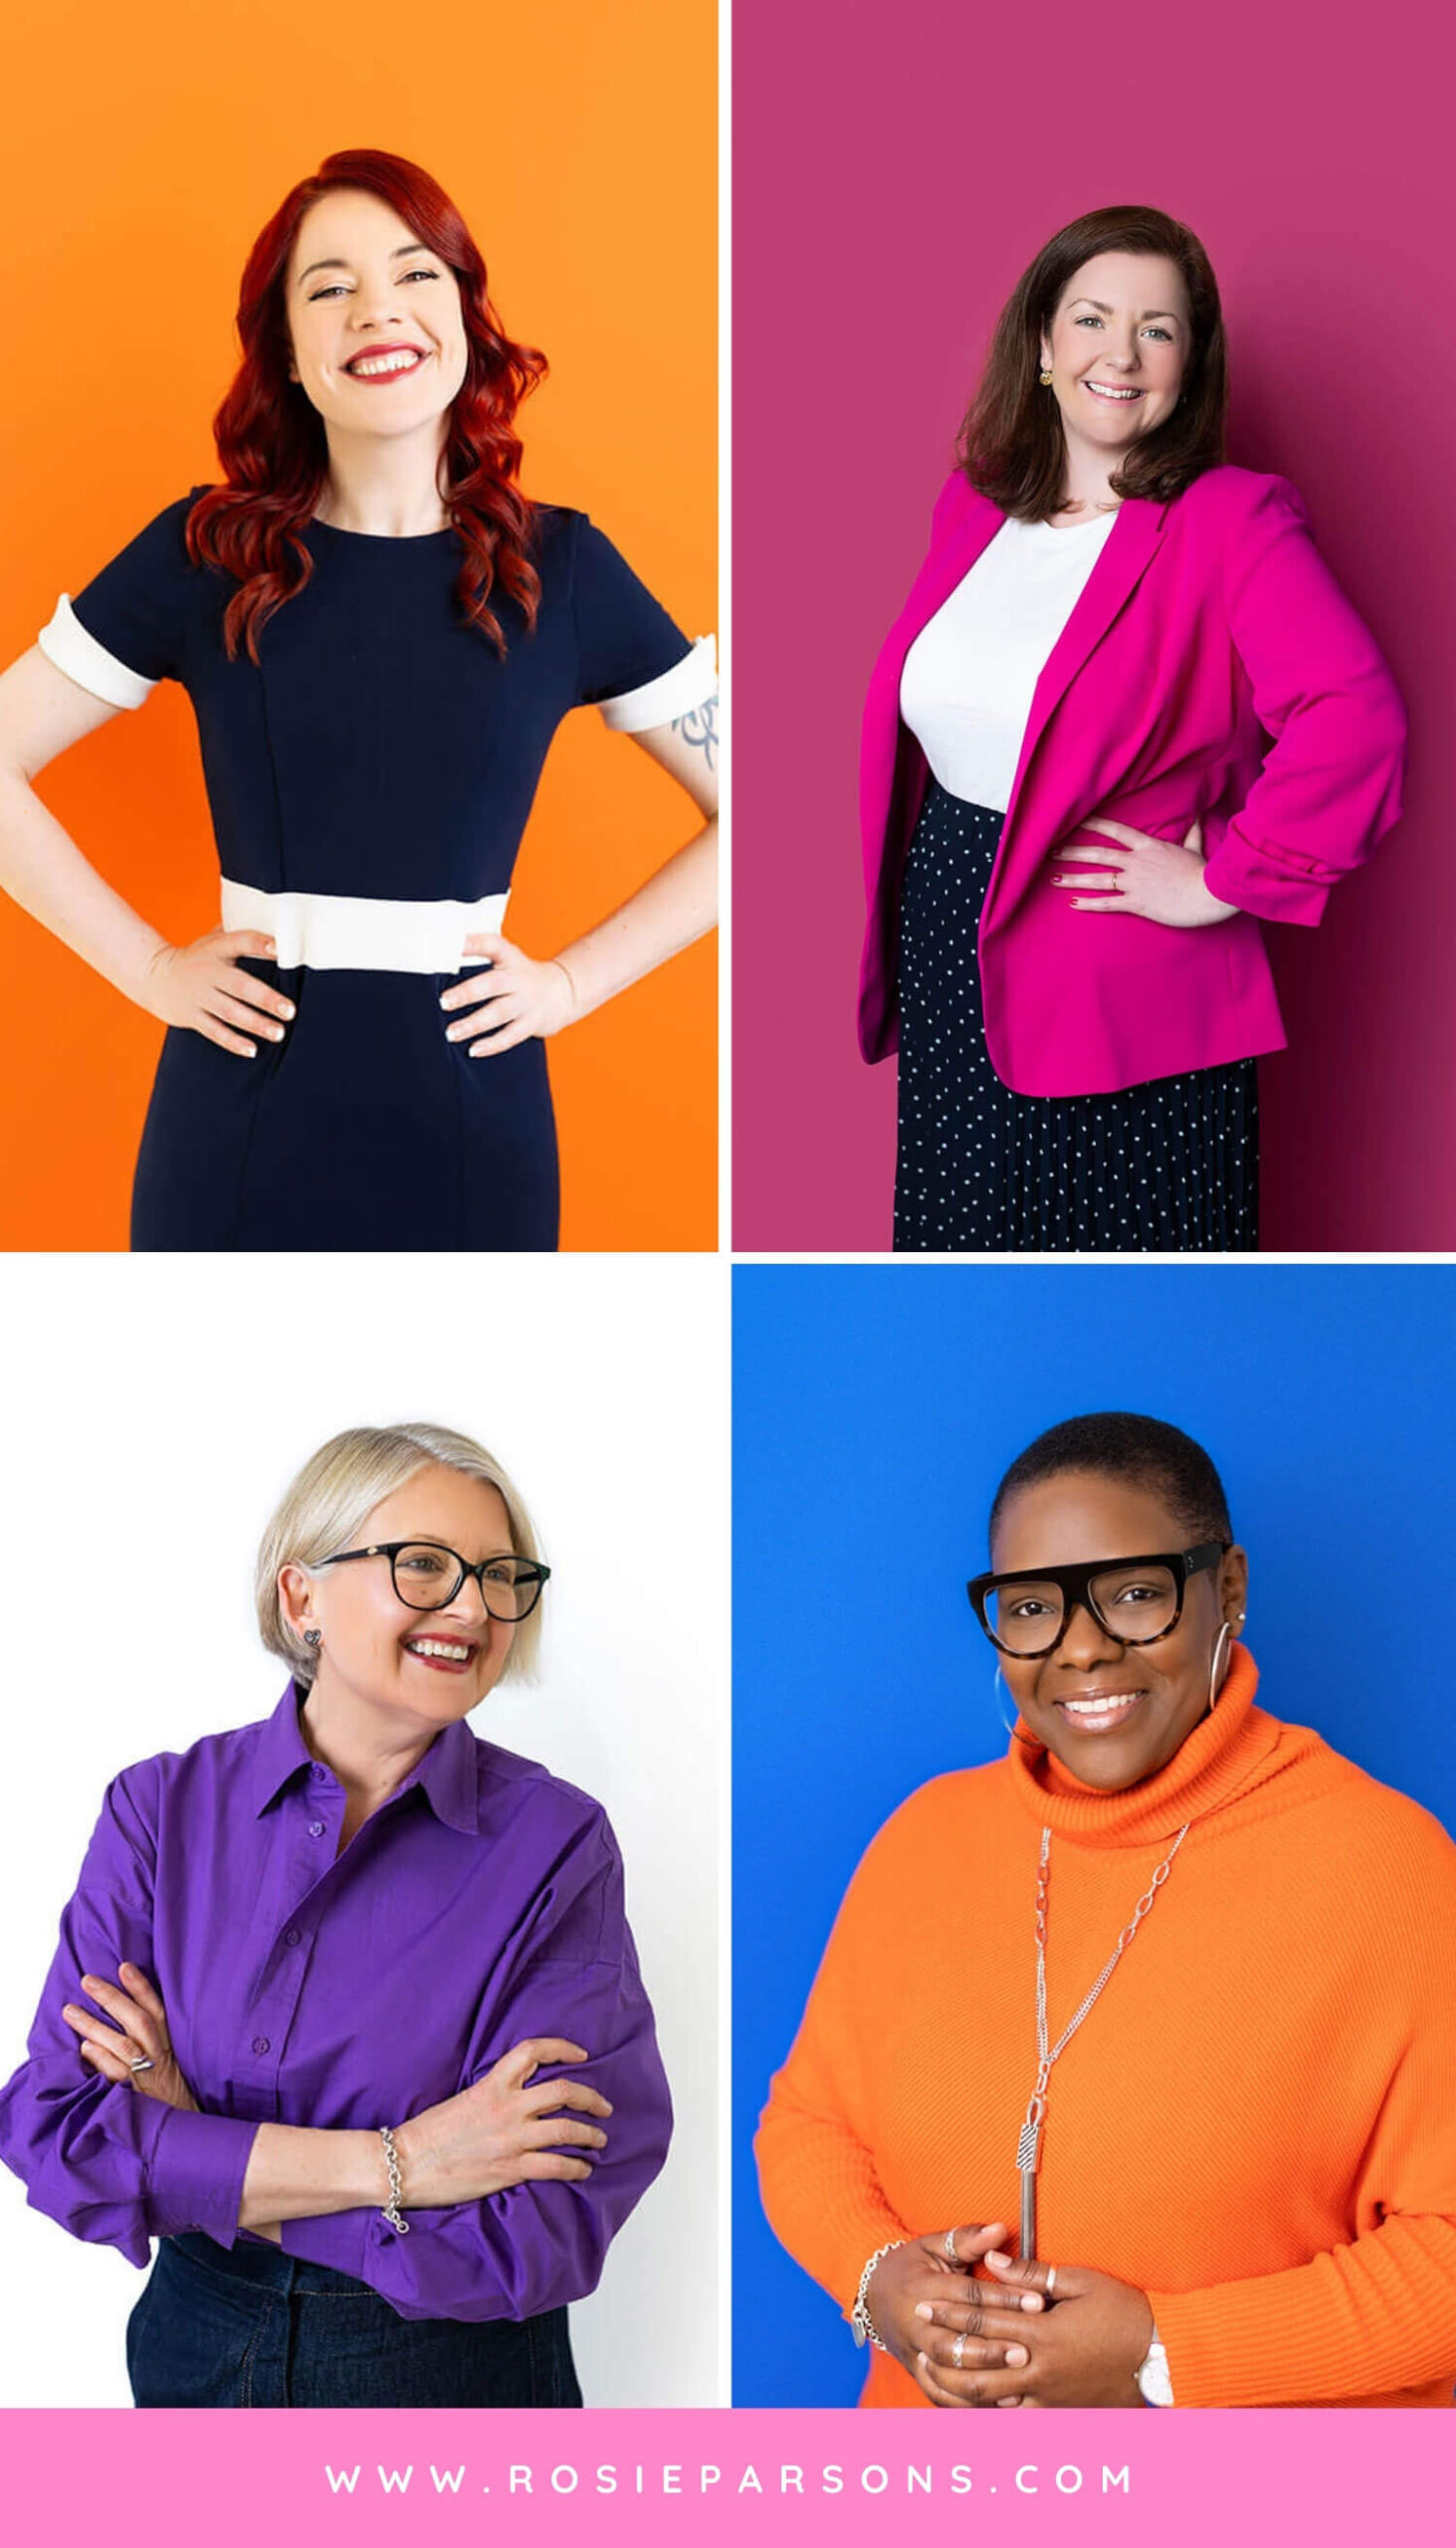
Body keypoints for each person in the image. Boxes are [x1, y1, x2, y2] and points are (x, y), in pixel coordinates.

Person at [0, 147, 718, 1250]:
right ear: (287, 353)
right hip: (234, 1126)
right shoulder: (207, 553)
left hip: (476, 1130)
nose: (377, 309)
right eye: (328, 287)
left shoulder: (563, 569)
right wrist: (147, 970)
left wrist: (570, 986)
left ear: (465, 313)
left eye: (415, 272)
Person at [755, 1412, 1456, 2408]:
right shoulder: (922, 1838)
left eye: (1133, 1594)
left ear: (1228, 1589)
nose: (1079, 1650)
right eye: (1030, 1607)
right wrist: (876, 2278)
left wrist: (1161, 2355)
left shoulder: (1389, 1868)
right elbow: (808, 2121)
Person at [0, 1421, 673, 2408]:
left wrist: (194, 2148)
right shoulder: (159, 1809)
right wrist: (404, 2164)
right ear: (300, 1595)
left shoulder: (555, 1846)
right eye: (424, 1564)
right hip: (192, 2354)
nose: (471, 1607)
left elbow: (535, 2230)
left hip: (446, 2378)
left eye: (498, 1575)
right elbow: (63, 2133)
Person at [857, 204, 1407, 1252]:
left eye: (1156, 329)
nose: (1119, 353)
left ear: (1187, 367)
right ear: (1041, 344)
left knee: (1114, 1278)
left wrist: (1225, 878)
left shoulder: (1232, 520)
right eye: (1092, 319)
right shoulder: (973, 505)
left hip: (1115, 987)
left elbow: (1355, 718)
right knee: (966, 1269)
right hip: (948, 936)